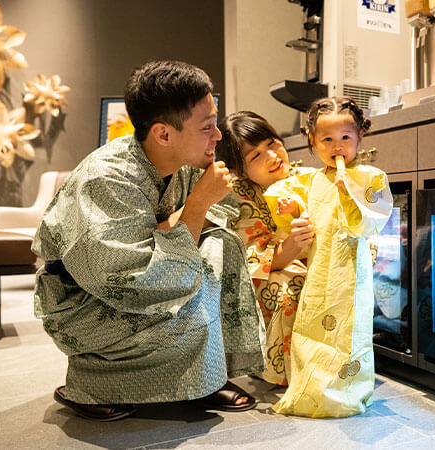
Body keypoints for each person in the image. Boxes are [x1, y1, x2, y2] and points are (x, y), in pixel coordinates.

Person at [32, 60, 265, 421]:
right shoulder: (106, 179)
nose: (217, 136)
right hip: (84, 305)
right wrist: (197, 203)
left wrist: (178, 220)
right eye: (207, 127)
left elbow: (222, 214)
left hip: (142, 276)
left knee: (219, 249)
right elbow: (136, 280)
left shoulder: (180, 162)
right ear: (163, 133)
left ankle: (204, 379)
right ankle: (95, 387)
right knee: (192, 291)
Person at [264, 96, 393, 417]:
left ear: (359, 137)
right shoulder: (309, 180)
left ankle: (347, 392)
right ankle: (310, 389)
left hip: (351, 271)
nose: (337, 146)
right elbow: (296, 211)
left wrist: (350, 191)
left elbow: (373, 220)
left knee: (350, 331)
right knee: (311, 327)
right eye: (327, 139)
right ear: (312, 141)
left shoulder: (369, 177)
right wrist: (290, 209)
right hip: (319, 269)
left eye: (345, 138)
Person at [215, 111, 314, 386]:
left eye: (272, 143)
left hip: (313, 258)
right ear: (240, 169)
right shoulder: (238, 195)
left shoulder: (306, 178)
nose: (272, 155)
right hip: (263, 275)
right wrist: (295, 242)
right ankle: (286, 371)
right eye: (255, 155)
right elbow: (259, 260)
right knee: (290, 288)